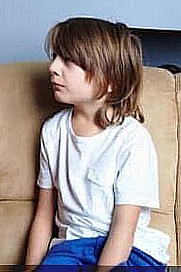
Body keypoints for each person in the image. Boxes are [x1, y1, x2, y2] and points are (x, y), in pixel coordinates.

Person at [25, 17, 170, 271]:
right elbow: (43, 215)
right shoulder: (52, 132)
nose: (53, 67)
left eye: (68, 61)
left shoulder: (132, 139)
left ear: (110, 79)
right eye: (55, 56)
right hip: (71, 248)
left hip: (130, 251)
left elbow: (123, 229)